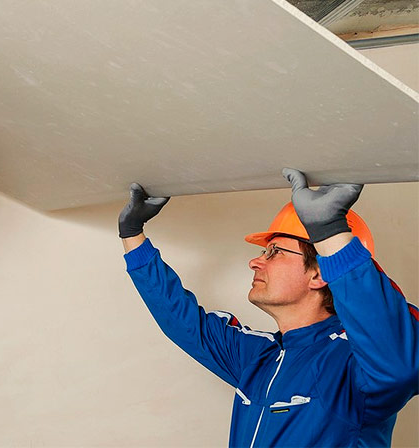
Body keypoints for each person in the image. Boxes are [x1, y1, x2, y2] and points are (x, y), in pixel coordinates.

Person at [119, 168, 418, 447]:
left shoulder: (350, 365)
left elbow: (400, 365)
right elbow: (183, 322)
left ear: (319, 274)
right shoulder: (260, 356)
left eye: (274, 252)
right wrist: (132, 233)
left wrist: (330, 232)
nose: (255, 261)